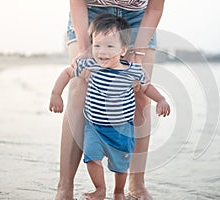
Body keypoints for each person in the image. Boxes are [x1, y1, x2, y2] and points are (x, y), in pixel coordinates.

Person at [49, 14, 170, 200]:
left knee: (121, 167)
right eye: (97, 45)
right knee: (91, 159)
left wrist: (161, 100)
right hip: (94, 128)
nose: (102, 52)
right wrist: (56, 94)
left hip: (122, 130)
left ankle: (119, 191)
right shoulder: (90, 64)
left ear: (123, 50)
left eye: (109, 46)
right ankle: (100, 188)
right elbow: (67, 73)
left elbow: (146, 87)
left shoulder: (132, 70)